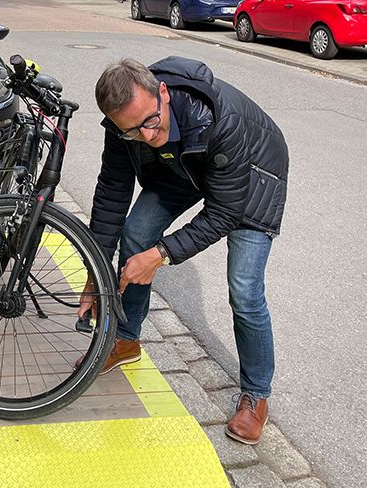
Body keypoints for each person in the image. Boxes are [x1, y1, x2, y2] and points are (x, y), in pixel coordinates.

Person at [80, 57, 288, 445]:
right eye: (132, 131)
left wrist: (161, 255)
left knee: (243, 288)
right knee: (136, 233)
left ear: (162, 92)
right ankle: (126, 338)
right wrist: (95, 271)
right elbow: (112, 194)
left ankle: (256, 396)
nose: (145, 134)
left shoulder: (220, 121)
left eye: (150, 121)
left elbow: (225, 211)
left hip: (252, 176)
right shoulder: (127, 127)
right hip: (183, 166)